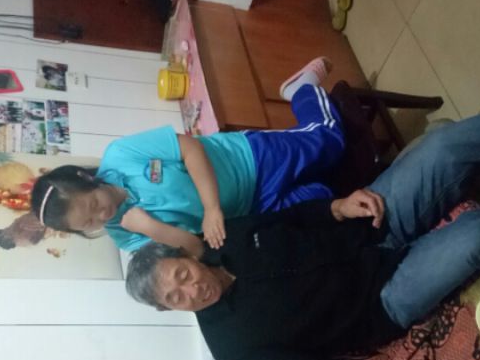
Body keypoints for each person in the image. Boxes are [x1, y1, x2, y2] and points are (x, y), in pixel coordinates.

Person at [124, 108, 480, 360]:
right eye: (176, 298)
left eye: (183, 275)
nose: (192, 291)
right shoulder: (232, 349)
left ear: (187, 257)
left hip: (370, 223)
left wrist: (337, 207)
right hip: (384, 299)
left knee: (444, 146)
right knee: (472, 240)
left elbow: (291, 218)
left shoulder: (223, 238)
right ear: (169, 309)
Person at [31, 58, 345, 254]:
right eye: (88, 223)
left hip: (250, 159)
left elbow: (190, 148)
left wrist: (211, 208)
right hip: (252, 208)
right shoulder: (125, 237)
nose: (101, 216)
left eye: (93, 205)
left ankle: (301, 90)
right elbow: (195, 248)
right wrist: (149, 228)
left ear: (85, 178)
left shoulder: (120, 155)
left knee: (331, 143)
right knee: (326, 197)